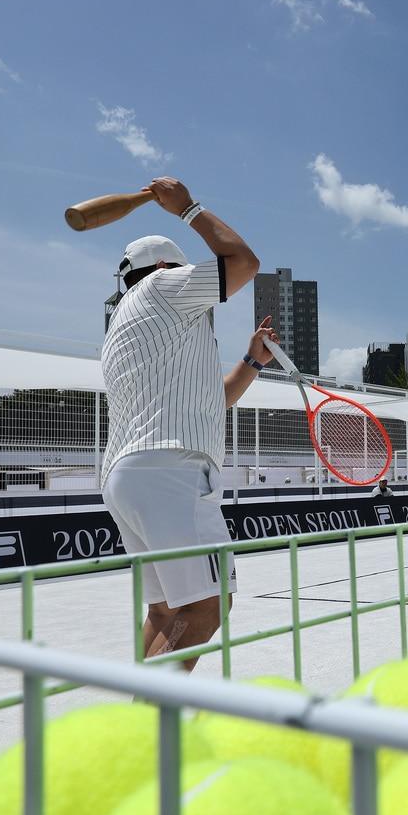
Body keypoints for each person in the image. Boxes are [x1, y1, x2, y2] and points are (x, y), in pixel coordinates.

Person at [99, 176, 264, 673]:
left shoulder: (126, 325)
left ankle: (133, 729)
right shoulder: (165, 287)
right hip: (171, 472)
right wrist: (189, 209)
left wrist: (251, 363)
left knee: (166, 609)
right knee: (208, 606)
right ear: (166, 267)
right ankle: (146, 734)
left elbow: (216, 401)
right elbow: (244, 263)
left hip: (127, 477)